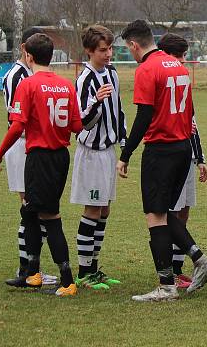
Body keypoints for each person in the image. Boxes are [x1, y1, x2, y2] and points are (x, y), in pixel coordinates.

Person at [118, 20, 207, 302]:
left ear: (134, 45)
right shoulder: (179, 66)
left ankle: (166, 286)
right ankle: (199, 259)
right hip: (182, 147)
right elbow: (189, 112)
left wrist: (125, 154)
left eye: (129, 49)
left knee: (155, 216)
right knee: (165, 213)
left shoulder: (147, 69)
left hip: (160, 149)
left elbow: (144, 116)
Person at [0, 33, 83, 296]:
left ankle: (67, 281)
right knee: (30, 212)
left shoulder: (28, 85)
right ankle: (32, 274)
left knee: (50, 217)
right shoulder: (66, 85)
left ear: (29, 56)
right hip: (60, 156)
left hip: (40, 157)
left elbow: (17, 125)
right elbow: (77, 125)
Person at [71, 25, 126, 290]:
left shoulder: (113, 74)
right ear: (89, 51)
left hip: (108, 150)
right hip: (91, 152)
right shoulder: (85, 79)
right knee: (92, 209)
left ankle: (94, 267)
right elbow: (82, 122)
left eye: (110, 48)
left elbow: (119, 109)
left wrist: (124, 139)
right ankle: (83, 272)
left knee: (104, 209)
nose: (108, 54)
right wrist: (94, 101)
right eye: (103, 50)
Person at [1, 27, 57, 287]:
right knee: (30, 210)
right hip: (23, 147)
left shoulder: (30, 74)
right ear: (25, 48)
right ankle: (27, 269)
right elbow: (17, 120)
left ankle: (30, 267)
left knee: (34, 209)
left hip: (31, 147)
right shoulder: (18, 76)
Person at [155, 33, 207, 288]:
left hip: (187, 156)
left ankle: (177, 269)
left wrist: (200, 158)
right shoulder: (162, 82)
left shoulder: (183, 81)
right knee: (172, 214)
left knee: (184, 212)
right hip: (172, 155)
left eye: (185, 56)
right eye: (179, 56)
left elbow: (192, 122)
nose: (183, 62)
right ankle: (171, 271)